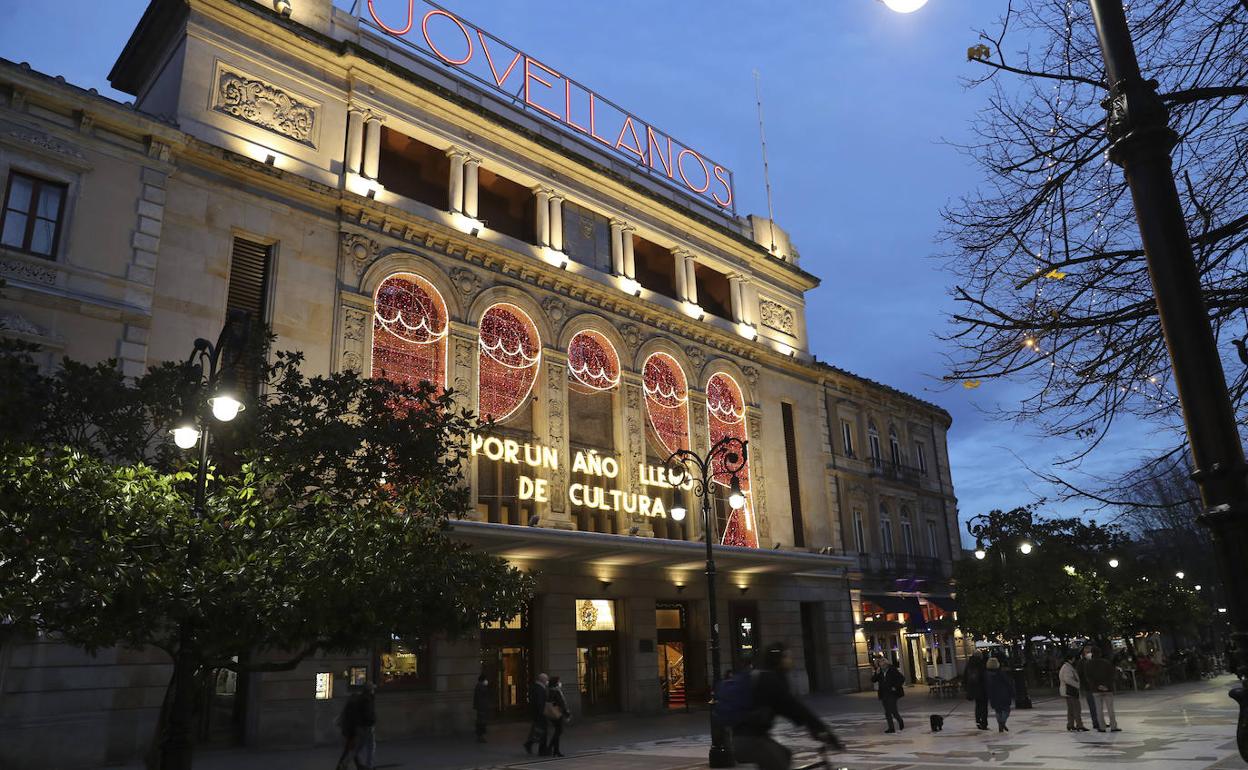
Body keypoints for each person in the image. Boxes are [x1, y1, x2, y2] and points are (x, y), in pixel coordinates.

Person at [731, 642, 842, 770]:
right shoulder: (771, 681)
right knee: (779, 760)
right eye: (787, 656)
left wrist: (815, 729)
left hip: (745, 738)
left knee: (785, 754)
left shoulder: (765, 675)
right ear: (779, 659)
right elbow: (797, 710)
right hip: (750, 741)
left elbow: (793, 710)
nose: (791, 660)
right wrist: (823, 732)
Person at [337, 683, 377, 770]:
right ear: (370, 690)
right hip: (367, 727)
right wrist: (372, 721)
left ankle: (345, 763)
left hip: (359, 727)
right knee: (370, 747)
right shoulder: (367, 700)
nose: (373, 691)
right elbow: (368, 714)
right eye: (372, 689)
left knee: (358, 747)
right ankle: (368, 766)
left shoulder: (360, 699)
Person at [1085, 647, 1121, 732]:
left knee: (1099, 710)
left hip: (1096, 690)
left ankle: (1102, 727)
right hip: (1108, 689)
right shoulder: (1106, 663)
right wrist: (1106, 685)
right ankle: (1113, 726)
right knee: (1110, 709)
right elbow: (1112, 675)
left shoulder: (1088, 664)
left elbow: (1088, 677)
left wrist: (1097, 685)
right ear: (1100, 653)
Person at [870, 656, 905, 733]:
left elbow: (902, 678)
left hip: (893, 693)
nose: (882, 667)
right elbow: (873, 680)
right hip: (884, 694)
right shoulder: (880, 672)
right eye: (880, 665)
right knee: (887, 712)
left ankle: (900, 720)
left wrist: (895, 686)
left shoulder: (892, 670)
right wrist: (877, 673)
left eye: (883, 665)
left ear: (886, 664)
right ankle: (891, 728)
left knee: (893, 710)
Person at [984, 658, 1015, 732]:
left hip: (993, 694)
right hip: (1003, 693)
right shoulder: (1001, 673)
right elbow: (1008, 683)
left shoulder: (986, 674)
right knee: (1006, 709)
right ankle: (1002, 722)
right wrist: (1012, 692)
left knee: (998, 711)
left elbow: (985, 685)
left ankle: (1000, 724)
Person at [1059, 652, 1087, 732]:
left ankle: (1070, 724)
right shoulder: (1067, 668)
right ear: (1070, 659)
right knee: (1076, 708)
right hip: (1071, 691)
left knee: (1071, 709)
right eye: (1074, 658)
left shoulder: (1066, 667)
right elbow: (1068, 679)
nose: (1075, 660)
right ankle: (1079, 725)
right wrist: (1077, 684)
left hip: (1068, 691)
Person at [523, 673, 550, 756]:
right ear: (542, 680)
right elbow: (539, 702)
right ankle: (542, 750)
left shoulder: (537, 687)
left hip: (538, 713)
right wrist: (542, 712)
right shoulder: (539, 688)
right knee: (542, 731)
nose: (547, 681)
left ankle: (530, 744)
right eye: (546, 679)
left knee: (538, 731)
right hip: (540, 713)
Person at [962, 650, 989, 730]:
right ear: (980, 656)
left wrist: (967, 689)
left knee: (978, 706)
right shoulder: (981, 664)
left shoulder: (969, 664)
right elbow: (984, 677)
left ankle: (978, 721)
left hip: (973, 689)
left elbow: (965, 677)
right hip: (982, 689)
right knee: (984, 706)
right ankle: (984, 723)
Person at [1077, 646, 1101, 730]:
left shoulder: (1094, 661)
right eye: (1087, 652)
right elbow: (1079, 674)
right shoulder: (1082, 662)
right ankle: (1096, 722)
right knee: (1093, 706)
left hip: (1096, 687)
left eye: (1090, 652)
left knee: (1098, 706)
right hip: (1088, 687)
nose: (1089, 653)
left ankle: (1100, 721)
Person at [546, 675, 571, 757]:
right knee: (559, 731)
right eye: (558, 681)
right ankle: (551, 748)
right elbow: (562, 703)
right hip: (557, 713)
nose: (560, 683)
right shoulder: (556, 691)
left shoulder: (549, 691)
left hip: (552, 713)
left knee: (558, 731)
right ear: (556, 683)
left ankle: (555, 750)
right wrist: (567, 714)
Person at [473, 674, 491, 743]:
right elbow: (485, 694)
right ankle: (480, 736)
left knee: (480, 721)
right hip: (481, 707)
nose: (486, 681)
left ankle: (480, 736)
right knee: (481, 722)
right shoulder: (481, 686)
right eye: (485, 679)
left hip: (480, 707)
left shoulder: (479, 686)